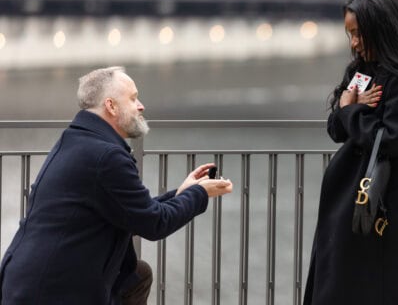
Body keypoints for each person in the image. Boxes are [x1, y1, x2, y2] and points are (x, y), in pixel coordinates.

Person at [0, 66, 233, 305]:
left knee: (138, 275)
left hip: (29, 281)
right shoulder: (105, 156)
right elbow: (154, 224)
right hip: (51, 292)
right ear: (111, 106)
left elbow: (132, 212)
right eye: (133, 99)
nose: (141, 106)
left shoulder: (79, 140)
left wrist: (182, 193)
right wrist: (200, 194)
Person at [303, 0, 398, 305]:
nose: (353, 43)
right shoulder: (361, 71)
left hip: (391, 204)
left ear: (380, 28)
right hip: (358, 202)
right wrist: (349, 110)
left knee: (389, 285)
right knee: (345, 284)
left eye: (358, 33)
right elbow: (335, 128)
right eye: (349, 34)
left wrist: (351, 109)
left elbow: (391, 139)